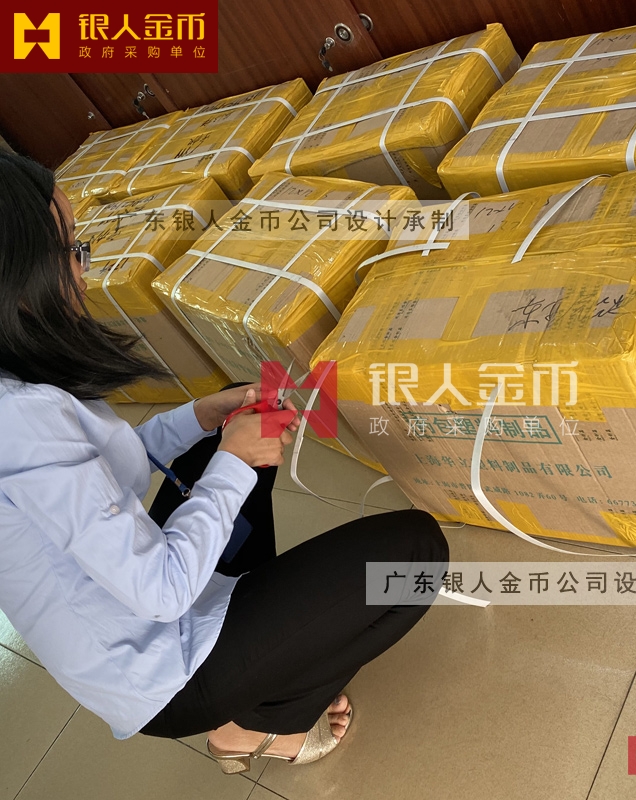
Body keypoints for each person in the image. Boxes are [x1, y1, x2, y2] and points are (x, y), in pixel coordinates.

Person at [0, 151, 449, 773]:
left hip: (147, 596)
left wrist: (201, 419)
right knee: (417, 555)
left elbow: (107, 465)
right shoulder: (18, 421)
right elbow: (160, 591)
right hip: (162, 671)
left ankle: (270, 646)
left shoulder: (18, 379)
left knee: (224, 434)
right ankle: (257, 724)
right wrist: (235, 458)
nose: (83, 269)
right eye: (72, 251)